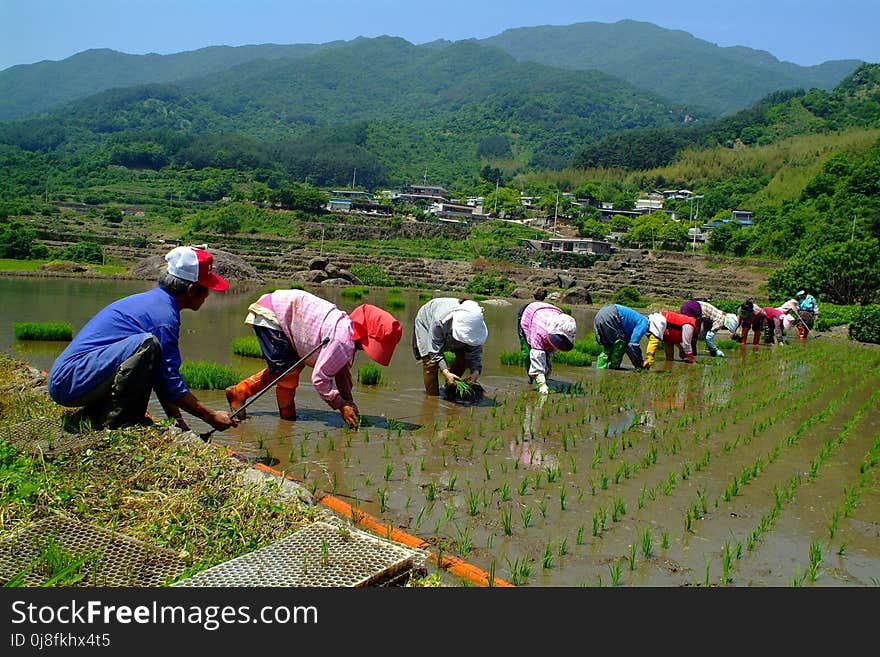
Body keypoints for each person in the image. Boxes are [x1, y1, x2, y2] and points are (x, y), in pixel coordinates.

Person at [48, 246, 239, 432]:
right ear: (191, 290)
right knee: (147, 344)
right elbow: (171, 382)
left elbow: (162, 377)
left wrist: (178, 421)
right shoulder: (164, 319)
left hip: (73, 379)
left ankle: (110, 412)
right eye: (206, 289)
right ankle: (120, 422)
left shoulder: (156, 302)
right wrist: (210, 416)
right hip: (69, 383)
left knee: (149, 349)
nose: (208, 295)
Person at [225, 289, 402, 429]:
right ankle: (246, 396)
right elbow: (319, 379)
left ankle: (284, 416)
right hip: (273, 315)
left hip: (281, 309)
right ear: (366, 336)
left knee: (289, 368)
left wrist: (349, 400)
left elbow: (341, 370)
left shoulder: (346, 331)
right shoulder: (342, 340)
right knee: (288, 370)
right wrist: (340, 404)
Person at [412, 298, 488, 396]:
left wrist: (476, 371)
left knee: (464, 360)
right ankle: (432, 398)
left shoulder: (475, 325)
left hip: (449, 326)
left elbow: (475, 353)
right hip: (427, 321)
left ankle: (450, 389)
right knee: (430, 363)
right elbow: (434, 351)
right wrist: (445, 371)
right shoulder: (439, 320)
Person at [517, 300, 577, 394]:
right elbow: (537, 355)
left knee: (547, 354)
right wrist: (542, 384)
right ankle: (535, 381)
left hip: (547, 312)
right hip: (528, 314)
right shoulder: (539, 330)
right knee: (528, 353)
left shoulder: (565, 324)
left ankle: (544, 377)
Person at [593, 303, 657, 370]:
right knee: (619, 346)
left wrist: (636, 363)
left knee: (608, 347)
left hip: (601, 314)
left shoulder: (635, 320)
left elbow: (628, 347)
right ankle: (614, 370)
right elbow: (633, 344)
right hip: (613, 314)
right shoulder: (644, 322)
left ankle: (600, 370)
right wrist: (641, 362)